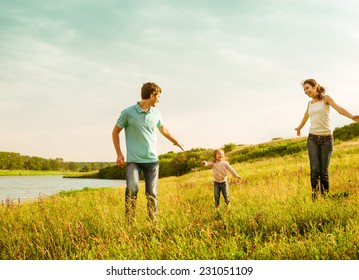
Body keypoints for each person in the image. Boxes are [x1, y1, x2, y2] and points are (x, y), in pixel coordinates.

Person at [112, 82, 184, 223]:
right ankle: (130, 223)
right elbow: (115, 132)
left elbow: (164, 130)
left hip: (152, 161)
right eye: (158, 96)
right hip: (133, 161)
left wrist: (176, 142)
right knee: (132, 190)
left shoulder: (156, 113)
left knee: (152, 193)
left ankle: (153, 224)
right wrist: (119, 154)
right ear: (152, 95)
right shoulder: (127, 113)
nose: (159, 100)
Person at [295, 78, 359, 199]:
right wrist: (299, 128)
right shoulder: (309, 104)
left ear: (315, 87)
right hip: (312, 139)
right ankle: (315, 198)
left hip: (327, 140)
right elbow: (305, 116)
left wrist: (351, 116)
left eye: (307, 88)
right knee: (314, 170)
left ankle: (325, 197)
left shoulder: (326, 99)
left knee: (323, 171)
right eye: (304, 89)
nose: (305, 91)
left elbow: (339, 109)